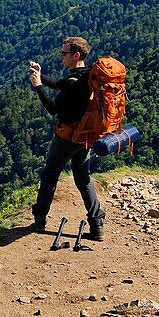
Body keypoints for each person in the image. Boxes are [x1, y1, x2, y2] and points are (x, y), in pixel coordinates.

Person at [27, 36, 105, 240]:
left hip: (67, 138)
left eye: (64, 53)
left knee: (50, 175)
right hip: (85, 136)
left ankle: (39, 221)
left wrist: (37, 86)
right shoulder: (87, 76)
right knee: (83, 178)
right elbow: (60, 84)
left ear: (76, 55)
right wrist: (40, 75)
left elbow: (53, 108)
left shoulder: (74, 84)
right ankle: (97, 226)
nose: (60, 56)